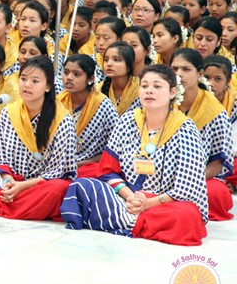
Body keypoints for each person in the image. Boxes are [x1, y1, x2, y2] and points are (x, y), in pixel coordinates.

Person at [61, 65, 209, 246]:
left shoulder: (185, 129)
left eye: (157, 86)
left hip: (164, 203)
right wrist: (130, 197)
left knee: (186, 215)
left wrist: (149, 203)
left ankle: (123, 221)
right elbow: (107, 170)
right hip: (126, 198)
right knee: (81, 186)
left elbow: (187, 188)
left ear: (172, 92)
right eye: (144, 86)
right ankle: (142, 224)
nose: (149, 91)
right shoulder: (128, 120)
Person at [0, 56, 76, 220]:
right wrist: (8, 181)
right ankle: (16, 207)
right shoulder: (9, 112)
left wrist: (22, 187)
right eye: (23, 79)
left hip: (39, 185)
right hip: (11, 181)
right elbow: (2, 156)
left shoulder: (62, 119)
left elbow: (60, 171)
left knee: (58, 190)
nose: (27, 85)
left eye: (35, 81)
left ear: (48, 86)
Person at [171, 49, 233, 221]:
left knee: (216, 194)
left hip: (199, 177)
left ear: (199, 74)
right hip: (160, 173)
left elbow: (217, 162)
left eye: (186, 69)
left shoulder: (215, 111)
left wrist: (188, 179)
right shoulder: (162, 101)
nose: (179, 74)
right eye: (174, 69)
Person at [58, 54, 119, 178]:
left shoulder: (103, 106)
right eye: (66, 72)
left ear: (90, 79)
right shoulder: (58, 101)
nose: (69, 78)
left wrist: (79, 163)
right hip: (59, 165)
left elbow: (116, 149)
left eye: (76, 74)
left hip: (88, 167)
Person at [100, 41, 140, 115]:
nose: (109, 64)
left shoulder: (141, 89)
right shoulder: (98, 89)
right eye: (106, 60)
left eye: (116, 60)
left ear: (128, 66)